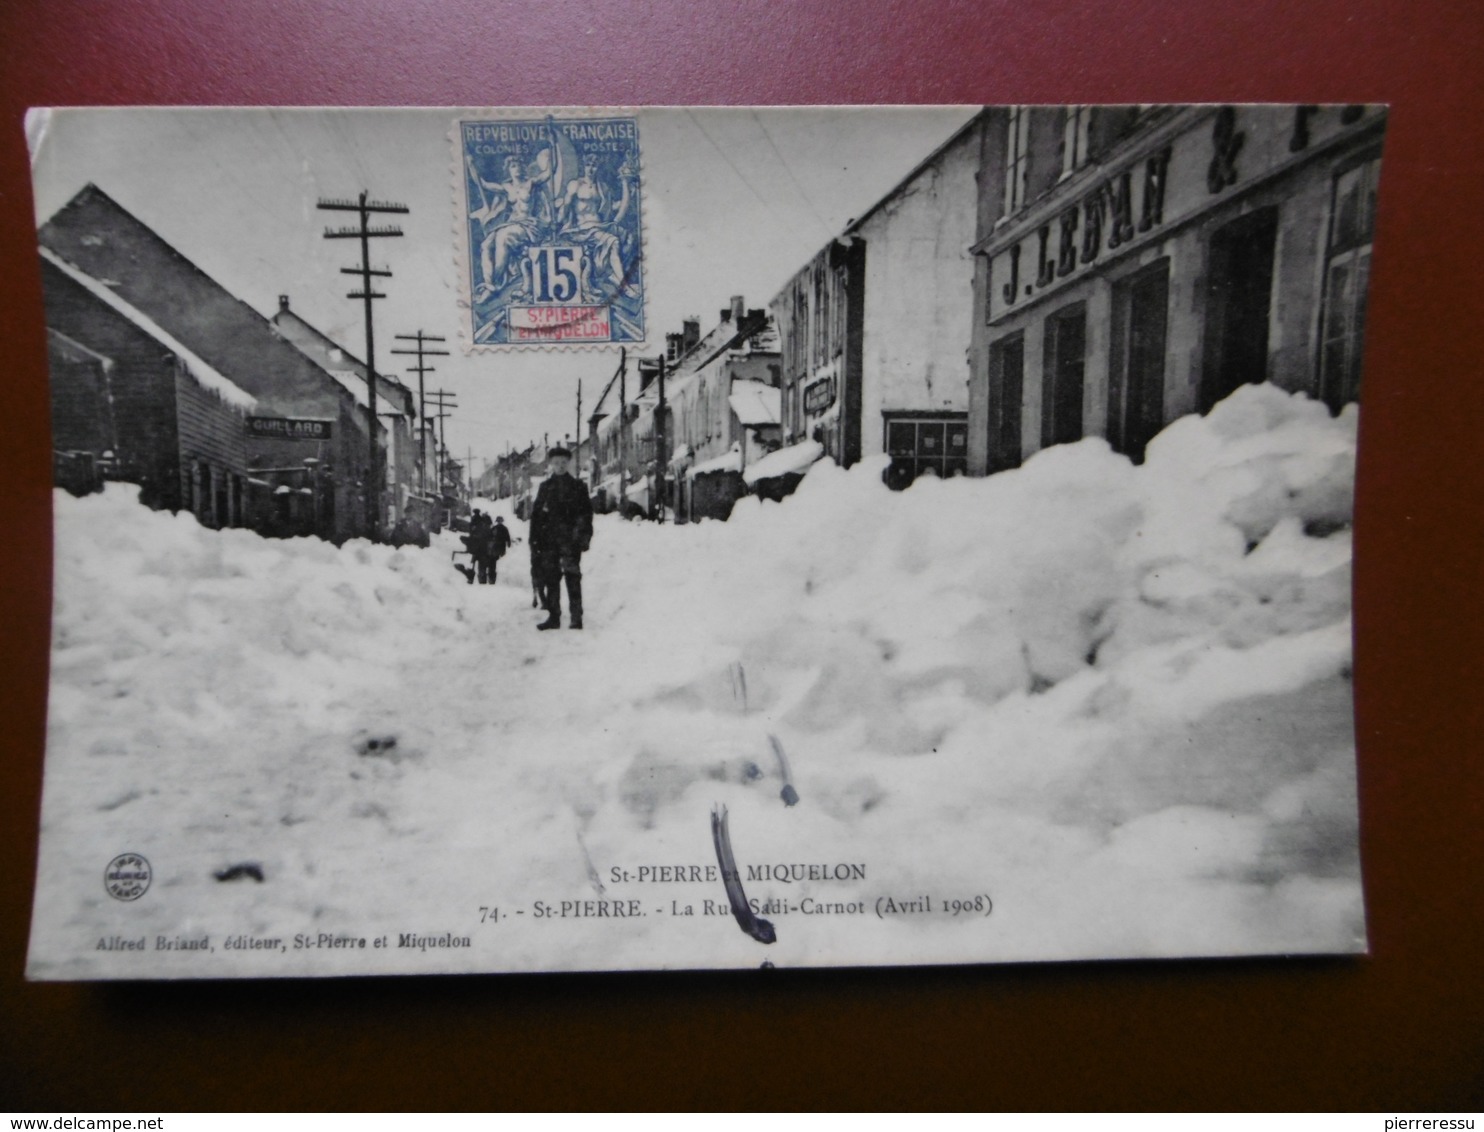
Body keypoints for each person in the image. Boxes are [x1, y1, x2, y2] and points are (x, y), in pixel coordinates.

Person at [529, 447, 593, 630]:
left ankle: (576, 617)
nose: (560, 466)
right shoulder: (545, 488)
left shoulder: (578, 487)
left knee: (572, 578)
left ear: (569, 463)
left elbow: (586, 514)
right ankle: (554, 617)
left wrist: (583, 538)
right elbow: (536, 517)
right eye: (556, 463)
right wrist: (534, 542)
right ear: (550, 464)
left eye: (563, 462)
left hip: (570, 541)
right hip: (549, 542)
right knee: (551, 579)